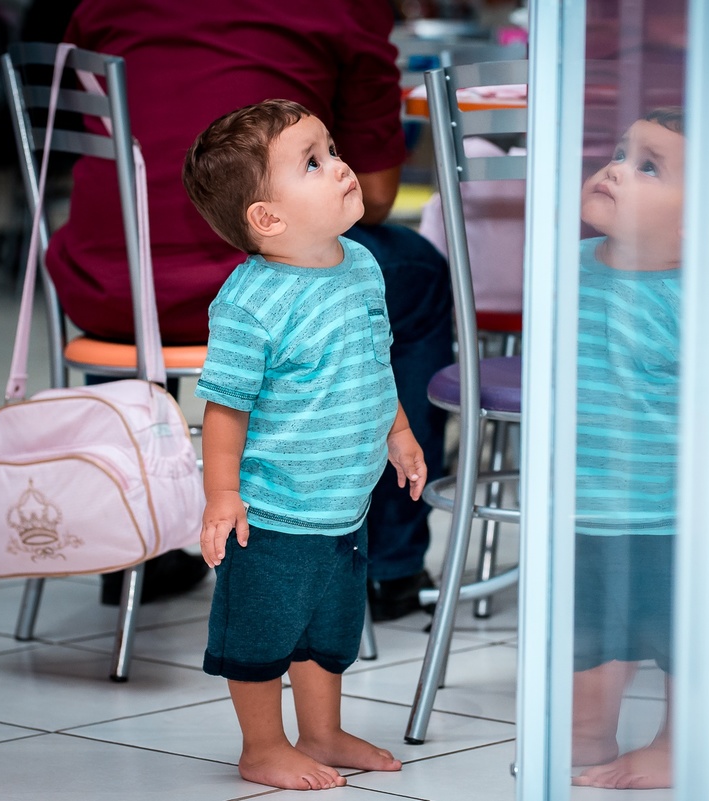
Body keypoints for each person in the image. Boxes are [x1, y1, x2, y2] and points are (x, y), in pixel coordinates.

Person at [37, 0, 451, 616]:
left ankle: (132, 549)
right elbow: (381, 196)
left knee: (129, 266)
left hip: (114, 283)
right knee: (418, 278)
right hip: (256, 279)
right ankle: (387, 563)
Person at [183, 98, 425, 791]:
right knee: (260, 637)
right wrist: (223, 495)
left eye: (332, 150)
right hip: (274, 511)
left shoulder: (363, 265)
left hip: (344, 506)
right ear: (269, 219)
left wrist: (399, 432)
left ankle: (321, 730)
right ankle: (262, 744)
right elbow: (226, 407)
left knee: (329, 630)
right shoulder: (251, 302)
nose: (342, 168)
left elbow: (374, 362)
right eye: (314, 163)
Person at [569, 107, 685, 790]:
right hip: (586, 508)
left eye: (649, 165)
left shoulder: (702, 294)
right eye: (620, 151)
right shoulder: (571, 267)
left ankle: (677, 742)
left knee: (684, 643)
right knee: (590, 643)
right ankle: (591, 731)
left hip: (673, 513)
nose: (615, 167)